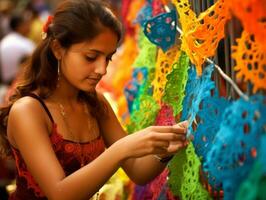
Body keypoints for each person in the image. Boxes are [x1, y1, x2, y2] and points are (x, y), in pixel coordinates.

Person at [0, 0, 188, 199]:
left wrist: (166, 148)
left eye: (108, 58)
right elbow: (59, 194)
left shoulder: (94, 102)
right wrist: (121, 149)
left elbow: (137, 171)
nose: (102, 70)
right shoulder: (28, 111)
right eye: (91, 57)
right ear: (57, 49)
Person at [0, 10, 35, 85]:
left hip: (6, 85)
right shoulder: (26, 44)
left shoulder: (3, 42)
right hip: (21, 84)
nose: (29, 26)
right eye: (26, 24)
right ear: (20, 26)